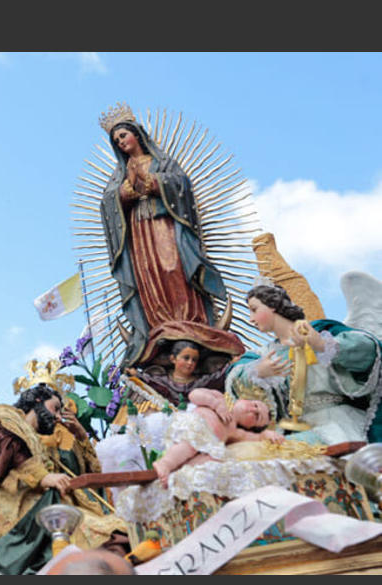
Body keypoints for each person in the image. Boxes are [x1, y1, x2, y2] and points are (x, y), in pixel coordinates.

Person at [0, 382, 129, 574]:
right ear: (38, 400)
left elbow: (79, 472)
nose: (57, 417)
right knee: (110, 538)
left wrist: (80, 436)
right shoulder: (5, 415)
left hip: (42, 510)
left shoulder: (36, 441)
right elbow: (1, 443)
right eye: (55, 408)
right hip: (17, 514)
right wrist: (43, 478)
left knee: (116, 535)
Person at [98, 103, 233, 366]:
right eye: (117, 141)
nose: (121, 142)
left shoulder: (161, 162)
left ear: (136, 134)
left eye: (123, 135)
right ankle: (158, 325)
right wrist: (125, 193)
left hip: (165, 226)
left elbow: (181, 184)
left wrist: (154, 183)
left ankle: (189, 322)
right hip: (139, 231)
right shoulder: (120, 174)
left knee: (173, 269)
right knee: (148, 274)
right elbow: (107, 204)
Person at [226, 284, 382, 446]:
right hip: (292, 429)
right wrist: (258, 371)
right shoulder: (263, 354)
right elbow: (238, 375)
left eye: (254, 309)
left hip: (335, 422)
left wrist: (323, 345)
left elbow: (368, 352)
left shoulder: (322, 331)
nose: (250, 318)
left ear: (272, 306)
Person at [152, 388, 281, 487]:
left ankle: (180, 475)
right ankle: (165, 464)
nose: (253, 410)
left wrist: (266, 435)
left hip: (207, 446)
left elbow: (254, 437)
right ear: (243, 399)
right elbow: (194, 395)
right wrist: (215, 404)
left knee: (216, 459)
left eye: (257, 416)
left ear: (250, 425)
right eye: (255, 405)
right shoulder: (220, 398)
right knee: (188, 446)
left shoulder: (234, 431)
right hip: (194, 428)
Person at [127, 340, 232, 405]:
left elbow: (217, 378)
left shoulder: (201, 382)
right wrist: (136, 374)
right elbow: (149, 381)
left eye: (194, 359)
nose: (190, 363)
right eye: (186, 358)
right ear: (173, 359)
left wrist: (231, 364)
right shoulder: (164, 381)